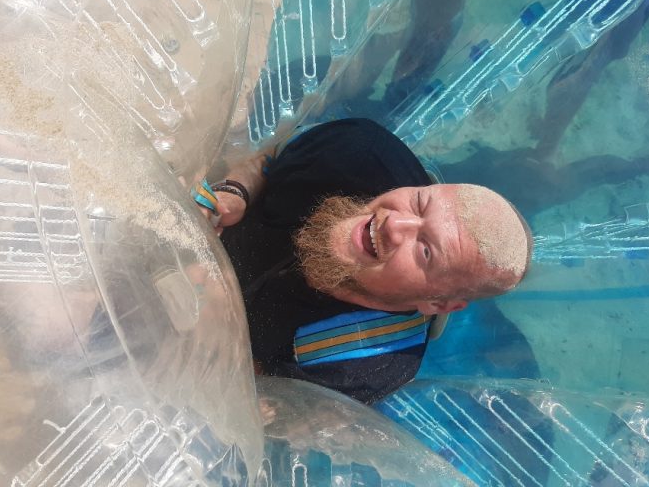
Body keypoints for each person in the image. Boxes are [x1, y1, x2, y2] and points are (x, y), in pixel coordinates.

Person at [198, 118, 532, 404]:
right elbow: (271, 157)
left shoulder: (364, 363)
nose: (394, 224)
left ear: (437, 303)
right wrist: (236, 190)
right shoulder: (358, 154)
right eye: (419, 203)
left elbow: (261, 399)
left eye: (426, 251)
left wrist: (214, 325)